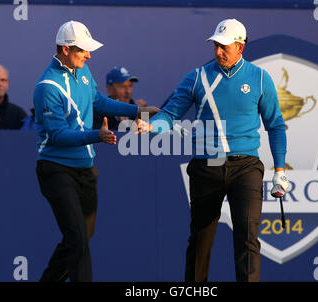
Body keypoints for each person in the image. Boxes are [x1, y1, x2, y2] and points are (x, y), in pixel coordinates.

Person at [141, 19, 289, 282]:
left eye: (224, 46)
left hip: (246, 166)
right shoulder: (197, 77)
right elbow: (170, 114)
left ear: (240, 47)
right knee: (201, 238)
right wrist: (151, 126)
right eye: (216, 46)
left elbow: (275, 126)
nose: (218, 51)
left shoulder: (259, 78)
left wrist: (279, 171)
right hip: (207, 165)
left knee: (247, 236)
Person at [33, 20, 159, 282]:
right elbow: (56, 136)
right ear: (65, 49)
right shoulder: (47, 87)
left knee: (79, 238)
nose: (89, 55)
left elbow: (98, 101)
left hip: (85, 170)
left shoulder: (83, 70)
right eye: (83, 50)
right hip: (56, 170)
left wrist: (137, 111)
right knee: (78, 237)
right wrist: (97, 136)